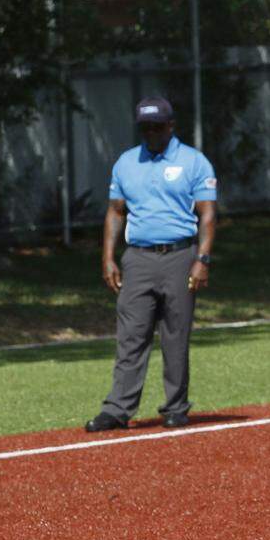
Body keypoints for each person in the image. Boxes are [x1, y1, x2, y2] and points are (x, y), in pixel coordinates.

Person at [84, 97, 217, 433]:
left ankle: (175, 407)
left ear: (171, 126)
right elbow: (115, 211)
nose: (151, 133)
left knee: (175, 334)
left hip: (179, 256)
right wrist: (108, 257)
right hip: (138, 258)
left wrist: (202, 259)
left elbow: (207, 214)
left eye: (157, 127)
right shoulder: (126, 163)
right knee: (131, 335)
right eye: (145, 127)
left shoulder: (193, 162)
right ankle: (117, 409)